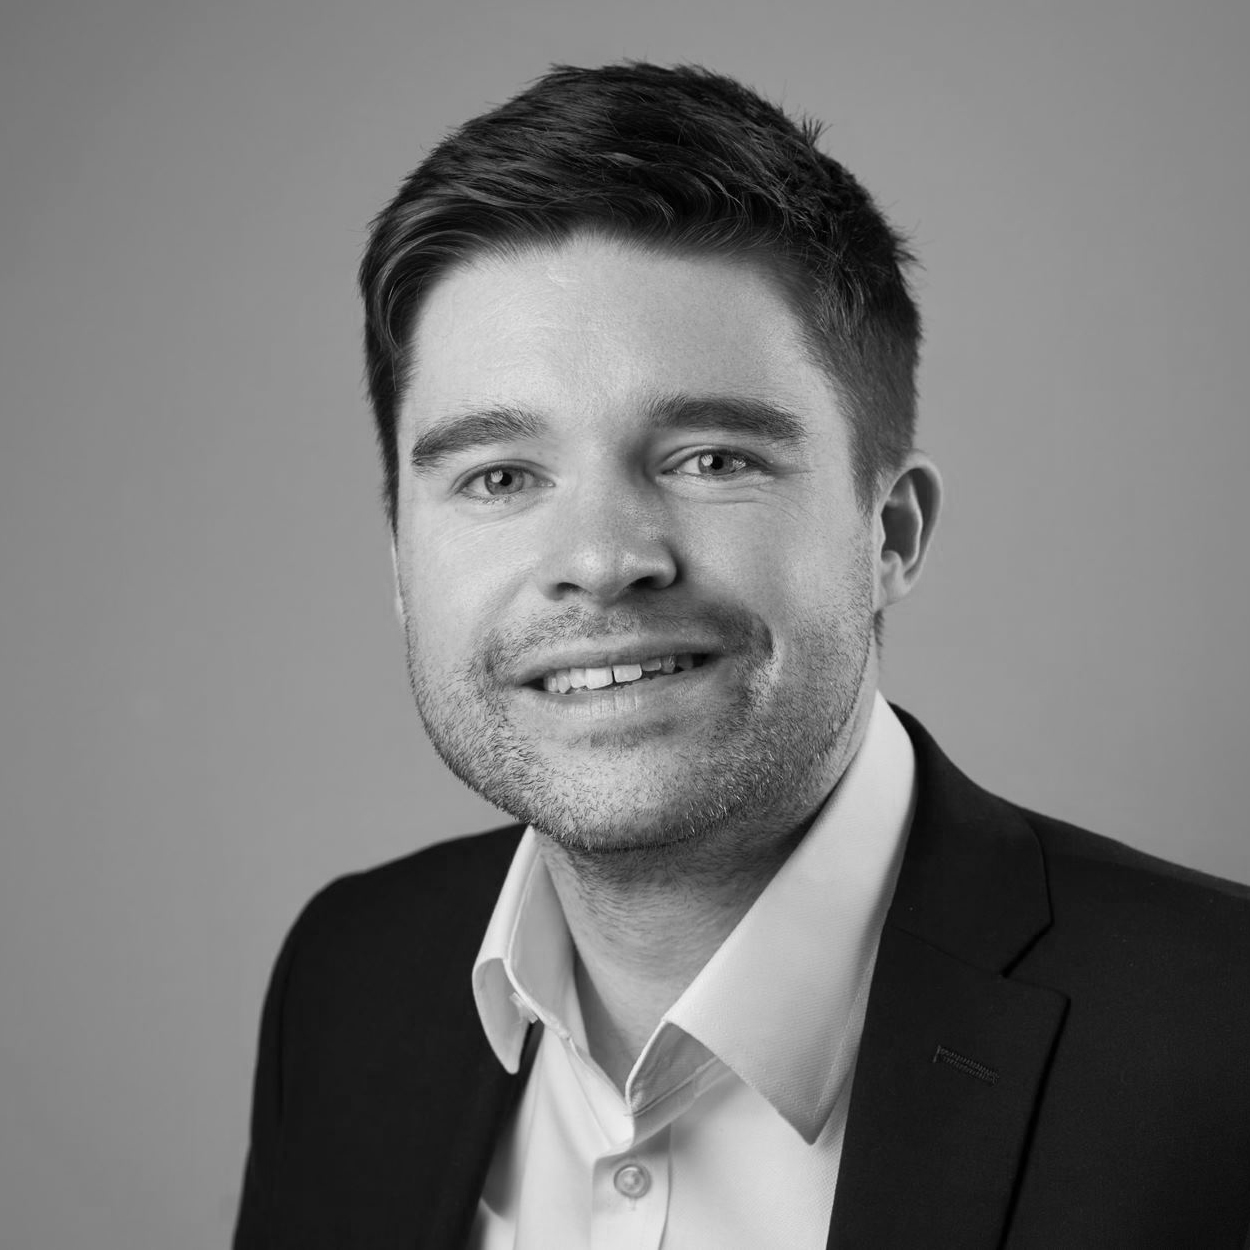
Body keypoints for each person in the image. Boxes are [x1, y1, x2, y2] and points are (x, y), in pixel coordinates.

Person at [233, 63, 1250, 1249]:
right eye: (499, 477)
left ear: (889, 532)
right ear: (404, 561)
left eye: (711, 456)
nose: (602, 558)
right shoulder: (348, 980)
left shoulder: (1219, 1038)